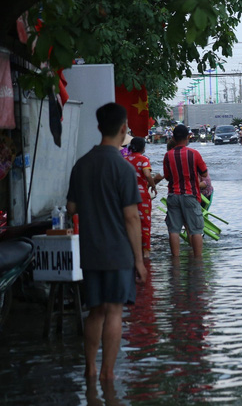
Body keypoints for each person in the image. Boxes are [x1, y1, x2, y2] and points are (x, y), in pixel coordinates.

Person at [66, 102, 147, 381]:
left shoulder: (81, 165)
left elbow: (71, 208)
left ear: (99, 127)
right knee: (114, 311)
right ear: (124, 128)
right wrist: (139, 260)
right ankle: (107, 375)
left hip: (89, 252)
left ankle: (89, 369)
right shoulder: (123, 169)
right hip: (118, 253)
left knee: (95, 312)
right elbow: (132, 218)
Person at [162, 124, 208, 258]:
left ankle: (175, 261)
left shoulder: (167, 155)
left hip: (173, 195)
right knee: (195, 230)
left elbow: (167, 177)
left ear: (173, 138)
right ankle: (198, 260)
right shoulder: (194, 154)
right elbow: (204, 174)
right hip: (190, 195)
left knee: (174, 230)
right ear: (188, 137)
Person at [125, 137, 160, 259]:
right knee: (145, 223)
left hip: (126, 196)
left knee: (128, 223)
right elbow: (146, 174)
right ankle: (145, 252)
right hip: (141, 197)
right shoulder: (144, 160)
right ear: (143, 148)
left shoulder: (125, 159)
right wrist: (153, 184)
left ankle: (131, 251)